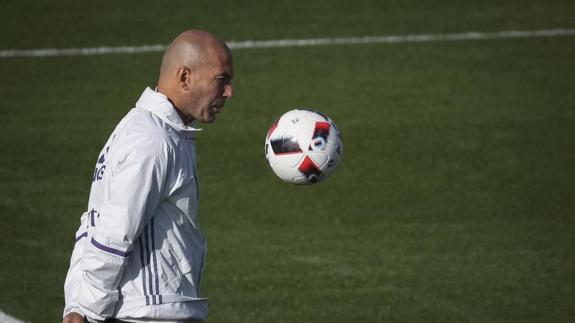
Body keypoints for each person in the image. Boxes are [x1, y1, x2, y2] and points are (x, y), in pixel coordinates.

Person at [62, 30, 234, 323]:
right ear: (184, 78)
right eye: (222, 80)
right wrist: (86, 311)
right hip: (148, 313)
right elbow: (114, 233)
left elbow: (92, 224)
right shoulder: (153, 141)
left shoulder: (151, 130)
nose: (229, 92)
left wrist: (78, 305)